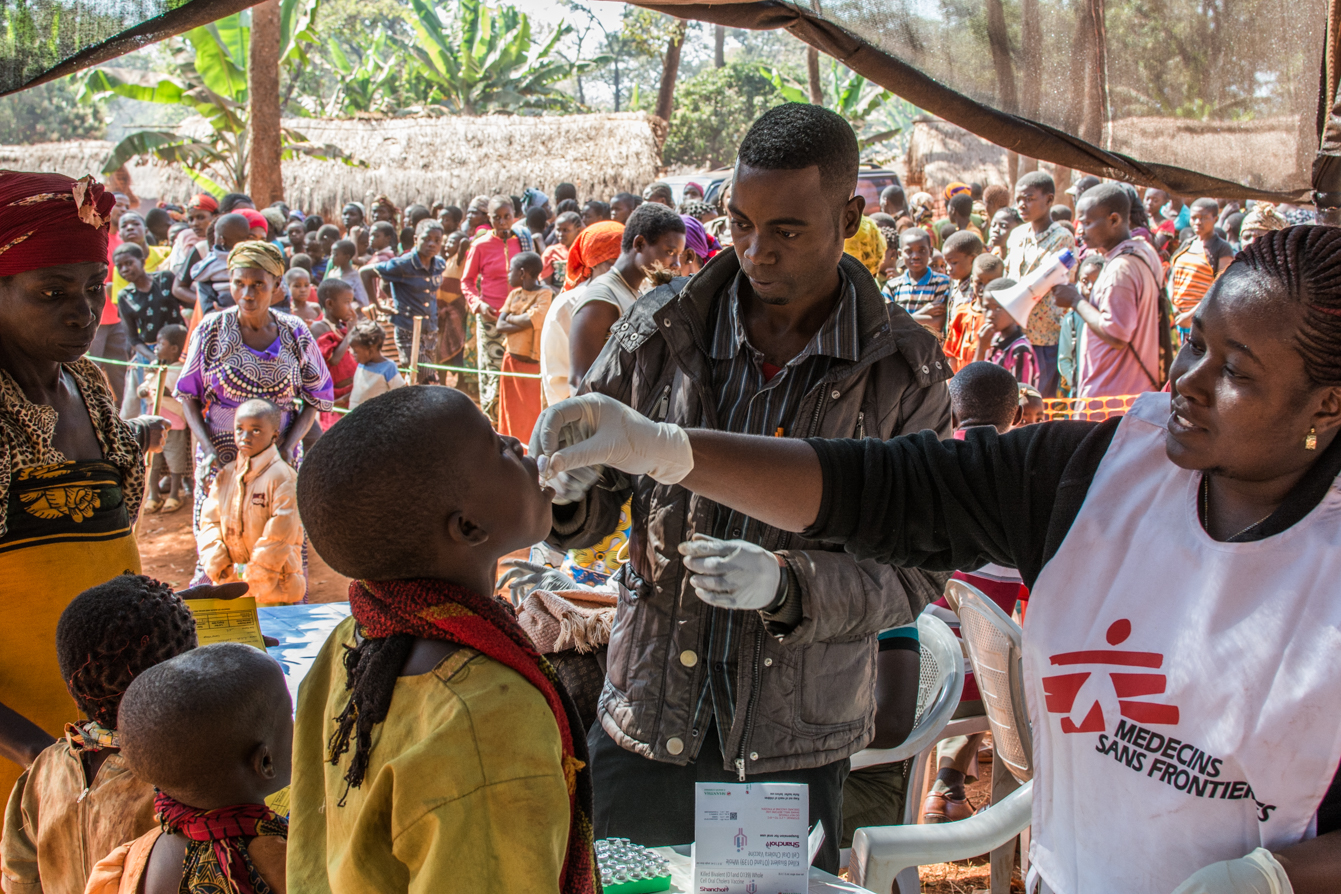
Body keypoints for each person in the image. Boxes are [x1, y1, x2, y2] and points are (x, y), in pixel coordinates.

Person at [532, 224, 1341, 894]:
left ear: (1327, 403)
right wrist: (669, 450)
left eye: (1234, 372)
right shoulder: (1094, 472)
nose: (1187, 384)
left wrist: (1274, 878)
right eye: (1192, 344)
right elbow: (882, 487)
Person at [538, 103, 950, 872]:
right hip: (649, 714)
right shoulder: (660, 332)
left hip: (794, 738)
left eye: (787, 230)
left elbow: (919, 567)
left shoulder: (901, 371)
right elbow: (592, 504)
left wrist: (790, 586)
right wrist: (565, 493)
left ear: (849, 214)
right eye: (739, 224)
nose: (757, 251)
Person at [288, 386, 597, 892]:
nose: (519, 444)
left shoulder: (350, 641)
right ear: (470, 526)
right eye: (496, 447)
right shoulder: (488, 716)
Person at [0, 171, 173, 798]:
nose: (82, 310)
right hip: (20, 759)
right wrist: (40, 756)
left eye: (93, 286)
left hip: (100, 746)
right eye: (51, 292)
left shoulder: (86, 387)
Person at [0, 574, 196, 894]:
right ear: (182, 680)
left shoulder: (41, 773)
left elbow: (20, 881)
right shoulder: (183, 782)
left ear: (71, 685)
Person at [85, 643, 291, 894]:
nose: (296, 725)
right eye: (289, 716)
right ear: (265, 762)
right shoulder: (286, 859)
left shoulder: (137, 854)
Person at [177, 241, 333, 534]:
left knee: (278, 545)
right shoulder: (211, 330)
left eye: (258, 284)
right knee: (220, 543)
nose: (247, 294)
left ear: (276, 286)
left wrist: (288, 446)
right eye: (240, 284)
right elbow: (188, 396)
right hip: (223, 457)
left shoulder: (295, 331)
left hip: (279, 458)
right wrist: (208, 449)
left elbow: (316, 395)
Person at [1053, 184, 1164, 400]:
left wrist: (1075, 301)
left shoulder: (1120, 269)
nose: (1080, 230)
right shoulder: (1144, 251)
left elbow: (1115, 333)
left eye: (1087, 223)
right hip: (1133, 391)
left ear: (1114, 220)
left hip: (1112, 395)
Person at [197, 399, 304, 606]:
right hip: (231, 587)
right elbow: (209, 523)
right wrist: (219, 566)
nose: (245, 437)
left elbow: (278, 538)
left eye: (255, 431)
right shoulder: (226, 475)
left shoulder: (283, 477)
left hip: (274, 592)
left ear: (274, 435)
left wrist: (251, 584)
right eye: (240, 429)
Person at [569, 203, 685, 389]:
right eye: (670, 252)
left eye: (678, 255)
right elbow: (581, 382)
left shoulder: (637, 292)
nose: (676, 264)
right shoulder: (603, 299)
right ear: (639, 244)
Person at [1005, 172, 1076, 399]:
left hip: (1045, 336)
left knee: (1038, 401)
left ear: (1049, 199)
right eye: (1018, 200)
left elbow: (1051, 282)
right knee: (1013, 401)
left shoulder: (1062, 238)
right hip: (1016, 334)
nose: (1021, 205)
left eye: (1029, 198)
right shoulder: (1016, 235)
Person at [539, 220, 624, 406]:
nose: (619, 272)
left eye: (623, 263)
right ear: (592, 263)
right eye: (611, 264)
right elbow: (557, 375)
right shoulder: (568, 304)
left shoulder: (636, 297)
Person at [460, 197, 526, 420]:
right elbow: (467, 281)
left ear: (514, 216)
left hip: (520, 318)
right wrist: (478, 304)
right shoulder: (480, 245)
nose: (502, 222)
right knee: (493, 373)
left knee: (518, 370)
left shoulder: (523, 242)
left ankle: (516, 422)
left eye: (506, 217)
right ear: (490, 218)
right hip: (491, 317)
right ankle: (494, 423)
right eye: (497, 218)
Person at [362, 218, 445, 386]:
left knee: (418, 382)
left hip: (430, 330)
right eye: (427, 239)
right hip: (408, 330)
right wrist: (379, 305)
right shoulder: (402, 265)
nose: (432, 244)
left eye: (437, 241)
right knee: (430, 379)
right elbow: (365, 272)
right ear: (416, 240)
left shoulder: (439, 265)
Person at [114, 242, 182, 419]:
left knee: (181, 398)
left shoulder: (165, 279)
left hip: (180, 350)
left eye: (129, 263)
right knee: (151, 402)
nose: (125, 269)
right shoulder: (125, 296)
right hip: (151, 353)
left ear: (142, 261)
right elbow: (133, 339)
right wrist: (154, 358)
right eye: (119, 266)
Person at [495, 252, 551, 441]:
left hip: (532, 363)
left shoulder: (545, 293)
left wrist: (511, 318)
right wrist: (520, 320)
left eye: (510, 270)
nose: (507, 274)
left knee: (531, 410)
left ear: (522, 273)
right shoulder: (514, 294)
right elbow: (500, 325)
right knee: (510, 408)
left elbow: (535, 319)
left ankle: (529, 447)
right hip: (511, 360)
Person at [137, 325, 191, 513]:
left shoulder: (181, 370)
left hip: (174, 425)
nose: (156, 347)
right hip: (153, 423)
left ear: (175, 348)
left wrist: (167, 393)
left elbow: (183, 396)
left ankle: (175, 494)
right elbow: (143, 389)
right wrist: (144, 389)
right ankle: (153, 495)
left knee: (175, 460)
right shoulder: (154, 368)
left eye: (161, 343)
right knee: (153, 460)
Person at [1168, 198, 1235, 337]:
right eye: (1194, 218)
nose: (1198, 222)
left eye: (1204, 218)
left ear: (1215, 219)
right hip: (1179, 320)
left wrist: (1192, 315)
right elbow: (1173, 277)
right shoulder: (1187, 244)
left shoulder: (1221, 248)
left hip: (1203, 324)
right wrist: (1175, 309)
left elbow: (1220, 289)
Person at [174, 212, 250, 317]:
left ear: (221, 239)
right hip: (249, 302)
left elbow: (196, 273)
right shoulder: (252, 258)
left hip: (223, 302)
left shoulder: (213, 260)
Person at [310, 279, 359, 430]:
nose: (350, 308)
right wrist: (351, 332)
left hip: (353, 390)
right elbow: (335, 359)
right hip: (335, 395)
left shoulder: (343, 326)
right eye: (347, 302)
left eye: (351, 302)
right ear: (330, 304)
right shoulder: (319, 328)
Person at [883, 227, 952, 337]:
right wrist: (923, 312)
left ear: (930, 252)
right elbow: (886, 323)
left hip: (930, 349)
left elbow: (937, 323)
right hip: (900, 350)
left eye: (922, 250)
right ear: (900, 254)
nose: (915, 256)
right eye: (909, 251)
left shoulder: (942, 283)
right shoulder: (892, 286)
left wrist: (900, 320)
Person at [974, 279, 1040, 388]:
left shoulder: (1020, 350)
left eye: (998, 308)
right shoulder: (992, 340)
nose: (990, 315)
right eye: (986, 308)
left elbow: (1022, 396)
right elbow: (971, 382)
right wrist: (981, 349)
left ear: (1015, 307)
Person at [944, 253, 1002, 372]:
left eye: (990, 283)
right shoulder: (961, 313)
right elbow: (952, 355)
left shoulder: (1001, 319)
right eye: (979, 282)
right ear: (971, 281)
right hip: (962, 381)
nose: (983, 288)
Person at [346, 321, 405, 410]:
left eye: (356, 351)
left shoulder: (388, 368)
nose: (352, 353)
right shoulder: (361, 365)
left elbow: (401, 393)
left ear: (371, 349)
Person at [435, 230, 470, 371]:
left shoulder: (460, 259)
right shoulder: (445, 261)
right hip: (442, 310)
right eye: (447, 242)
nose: (447, 245)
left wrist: (461, 241)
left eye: (451, 242)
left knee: (458, 345)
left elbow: (464, 243)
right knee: (442, 346)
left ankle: (461, 381)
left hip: (456, 310)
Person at [323, 238, 368, 308]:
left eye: (335, 255)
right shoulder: (332, 273)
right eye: (331, 254)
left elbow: (363, 302)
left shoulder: (354, 276)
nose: (331, 257)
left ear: (346, 257)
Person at [542, 210, 582, 289]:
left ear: (578, 229)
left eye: (565, 230)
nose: (560, 234)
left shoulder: (584, 251)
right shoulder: (551, 252)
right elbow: (545, 285)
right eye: (558, 230)